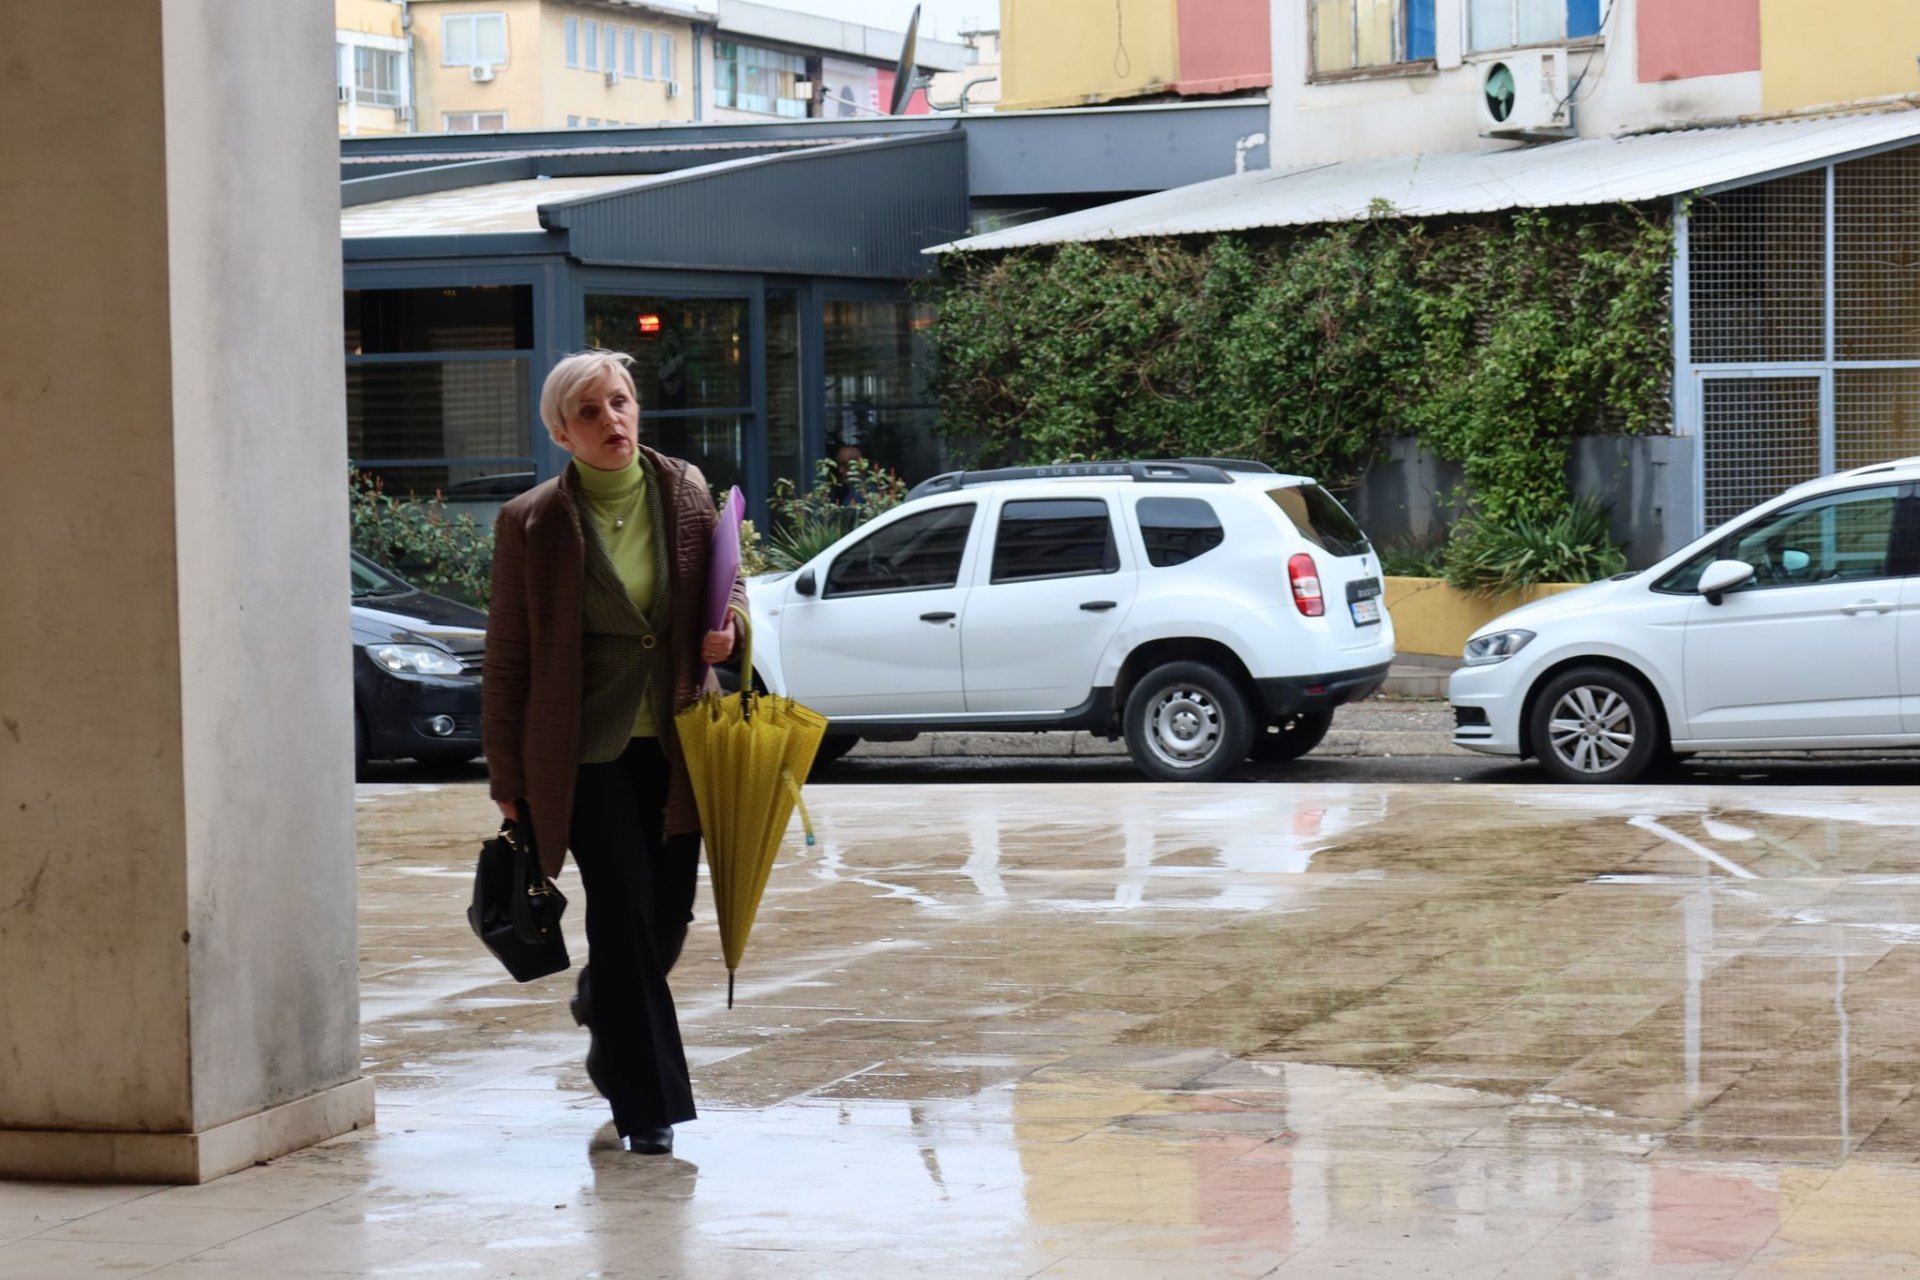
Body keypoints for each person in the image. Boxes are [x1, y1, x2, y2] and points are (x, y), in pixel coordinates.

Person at [483, 349, 742, 1157]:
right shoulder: (532, 522)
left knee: (664, 923)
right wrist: (507, 774)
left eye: (620, 403)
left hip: (681, 743)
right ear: (562, 432)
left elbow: (730, 590)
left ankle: (602, 1001)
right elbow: (509, 656)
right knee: (624, 919)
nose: (611, 421)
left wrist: (730, 630)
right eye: (589, 413)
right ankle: (646, 1106)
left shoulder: (686, 492)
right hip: (583, 754)